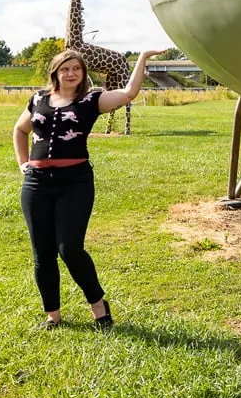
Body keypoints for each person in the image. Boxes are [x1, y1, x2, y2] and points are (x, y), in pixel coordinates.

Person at [12, 47, 162, 330]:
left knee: (70, 249)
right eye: (65, 69)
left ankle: (99, 309)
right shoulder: (38, 99)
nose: (70, 73)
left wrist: (141, 58)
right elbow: (20, 130)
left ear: (83, 74)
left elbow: (129, 93)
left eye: (76, 69)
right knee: (42, 254)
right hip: (36, 185)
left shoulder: (91, 100)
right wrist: (23, 162)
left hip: (75, 182)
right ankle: (53, 316)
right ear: (55, 72)